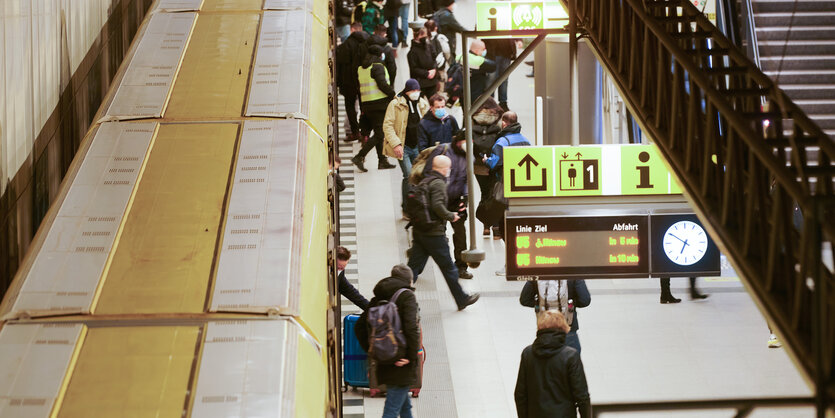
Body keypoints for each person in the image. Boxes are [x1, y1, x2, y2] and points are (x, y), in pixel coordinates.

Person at [407, 155, 480, 311]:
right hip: (434, 233)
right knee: (448, 268)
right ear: (442, 168)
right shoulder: (438, 183)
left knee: (412, 267)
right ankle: (461, 299)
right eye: (448, 168)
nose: (449, 170)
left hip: (420, 230)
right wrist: (450, 215)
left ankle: (399, 295)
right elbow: (438, 205)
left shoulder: (425, 181)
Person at [355, 264, 421, 418]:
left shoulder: (379, 297)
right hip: (401, 360)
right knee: (392, 408)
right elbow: (411, 328)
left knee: (404, 405)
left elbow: (359, 327)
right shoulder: (407, 296)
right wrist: (411, 357)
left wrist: (373, 350)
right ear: (409, 280)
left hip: (385, 358)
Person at [515, 310, 592, 418]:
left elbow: (520, 394)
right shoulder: (570, 356)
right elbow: (582, 396)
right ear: (563, 327)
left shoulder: (528, 354)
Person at [422, 131, 471, 279]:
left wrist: (465, 197)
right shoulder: (443, 150)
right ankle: (423, 258)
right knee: (437, 234)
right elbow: (427, 172)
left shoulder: (468, 155)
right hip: (439, 198)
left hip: (457, 200)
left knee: (460, 234)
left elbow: (467, 178)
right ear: (459, 142)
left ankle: (461, 266)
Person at [383, 78, 430, 211]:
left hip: (418, 147)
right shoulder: (395, 104)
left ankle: (417, 205)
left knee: (419, 176)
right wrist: (396, 144)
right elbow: (387, 126)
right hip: (404, 147)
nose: (416, 93)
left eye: (418, 90)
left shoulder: (422, 103)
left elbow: (427, 121)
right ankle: (407, 208)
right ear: (407, 91)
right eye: (413, 91)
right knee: (409, 175)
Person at [483, 111, 530, 240]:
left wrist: (486, 161)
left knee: (503, 212)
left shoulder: (502, 142)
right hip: (522, 184)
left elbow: (494, 163)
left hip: (506, 183)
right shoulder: (525, 140)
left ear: (503, 123)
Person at [352, 45, 398, 172]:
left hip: (367, 104)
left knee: (379, 133)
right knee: (380, 134)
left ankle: (382, 161)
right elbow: (382, 84)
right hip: (379, 105)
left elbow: (359, 88)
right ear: (379, 54)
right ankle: (359, 156)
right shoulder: (377, 66)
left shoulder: (361, 68)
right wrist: (393, 94)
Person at [519, 280, 591, 353]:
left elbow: (524, 300)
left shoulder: (537, 274)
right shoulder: (572, 273)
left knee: (545, 361)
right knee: (571, 358)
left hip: (545, 328)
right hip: (568, 327)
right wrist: (569, 305)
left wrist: (542, 304)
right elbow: (584, 300)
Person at [471, 97, 503, 238]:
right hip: (494, 164)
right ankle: (496, 227)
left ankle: (485, 227)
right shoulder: (498, 118)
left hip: (478, 165)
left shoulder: (472, 116)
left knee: (484, 193)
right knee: (494, 195)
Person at [336, 22, 369, 142]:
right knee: (364, 106)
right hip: (364, 81)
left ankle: (355, 132)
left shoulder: (345, 46)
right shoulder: (368, 43)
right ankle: (365, 133)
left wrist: (339, 83)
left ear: (352, 30)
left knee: (350, 107)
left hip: (348, 82)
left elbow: (339, 65)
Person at [484, 38, 519, 111]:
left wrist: (519, 39)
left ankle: (502, 103)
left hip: (506, 53)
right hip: (492, 53)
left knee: (503, 80)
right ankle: (490, 102)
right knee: (491, 79)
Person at [407, 28, 440, 98]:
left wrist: (434, 69)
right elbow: (414, 69)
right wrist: (426, 73)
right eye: (424, 36)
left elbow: (435, 59)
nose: (426, 38)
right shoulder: (412, 52)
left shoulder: (429, 46)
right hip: (420, 83)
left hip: (432, 81)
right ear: (417, 36)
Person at [337, 246, 370, 310]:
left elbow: (352, 293)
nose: (340, 270)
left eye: (343, 268)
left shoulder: (340, 274)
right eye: (338, 268)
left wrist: (371, 309)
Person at [424, 20, 450, 92]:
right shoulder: (440, 37)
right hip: (440, 67)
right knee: (440, 89)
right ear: (435, 28)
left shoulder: (424, 39)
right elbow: (446, 51)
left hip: (428, 70)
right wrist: (446, 59)